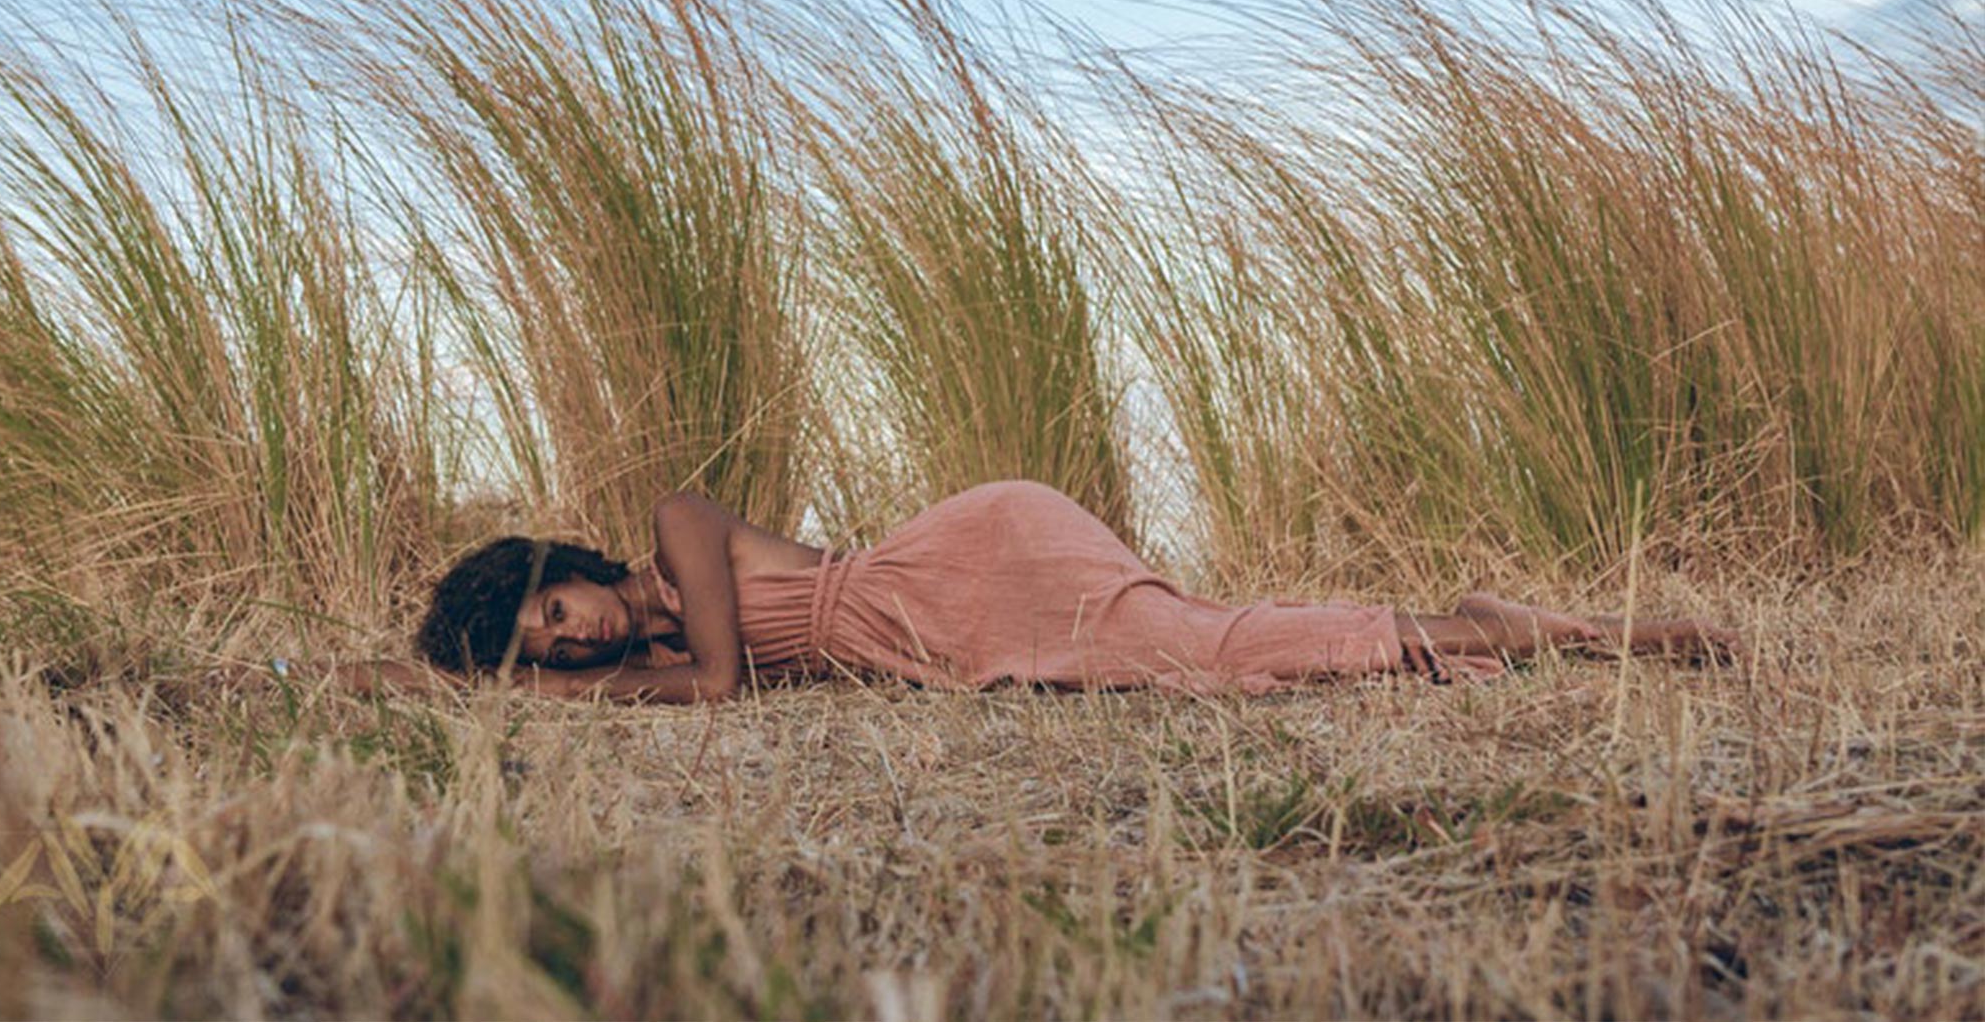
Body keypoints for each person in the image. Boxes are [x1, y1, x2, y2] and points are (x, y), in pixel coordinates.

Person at [373, 480, 1736, 704]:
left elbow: (722, 690)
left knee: (1211, 654)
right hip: (963, 626)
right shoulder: (645, 643)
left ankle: (1609, 636)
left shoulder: (678, 529)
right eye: (547, 652)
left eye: (554, 611)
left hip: (980, 561)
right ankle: (1476, 619)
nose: (575, 638)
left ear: (562, 565)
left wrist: (612, 692)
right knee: (1204, 652)